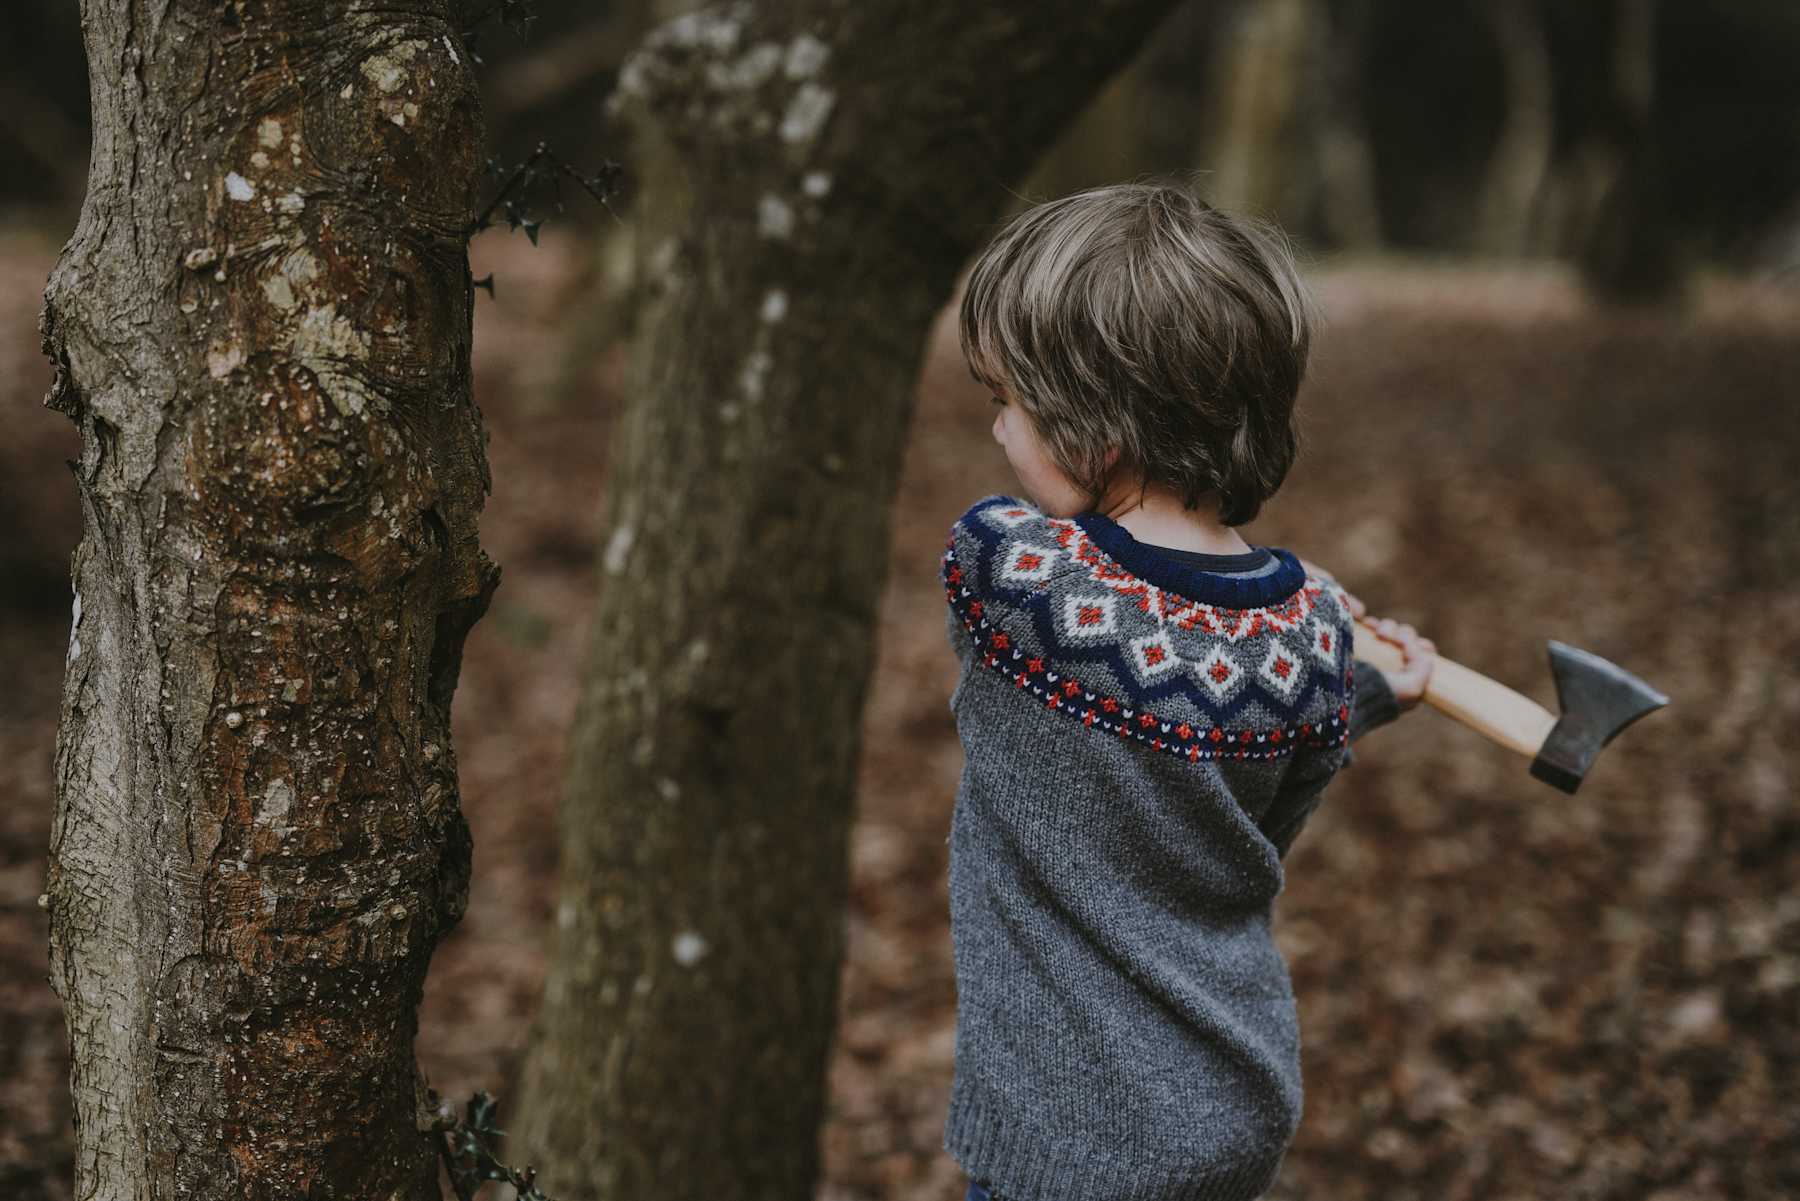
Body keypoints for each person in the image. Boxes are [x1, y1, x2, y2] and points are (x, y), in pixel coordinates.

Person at [939, 178, 1435, 1201]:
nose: (998, 434)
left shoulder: (1012, 576)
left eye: (1008, 404)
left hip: (1070, 1140)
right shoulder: (1308, 635)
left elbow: (1135, 649)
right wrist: (1362, 682)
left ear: (1096, 426)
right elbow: (1251, 801)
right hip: (1229, 1106)